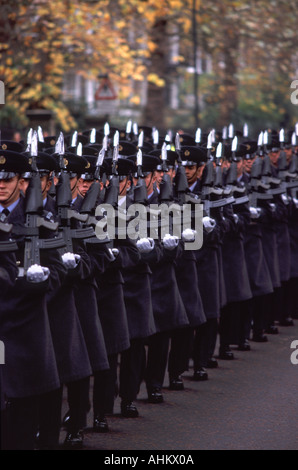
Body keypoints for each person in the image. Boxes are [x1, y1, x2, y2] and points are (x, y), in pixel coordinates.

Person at [0, 148, 65, 450]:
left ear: (20, 181)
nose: (1, 184)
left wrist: (41, 278)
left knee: (22, 422)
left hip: (24, 329)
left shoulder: (38, 218)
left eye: (7, 178)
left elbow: (57, 269)